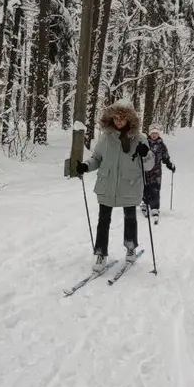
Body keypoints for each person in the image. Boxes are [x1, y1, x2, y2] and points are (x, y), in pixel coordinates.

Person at [75, 101, 154, 271]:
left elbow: (149, 165)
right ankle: (101, 253)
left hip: (129, 185)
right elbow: (96, 158)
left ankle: (131, 247)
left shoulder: (139, 139)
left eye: (122, 118)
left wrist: (146, 154)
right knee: (103, 220)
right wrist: (85, 166)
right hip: (108, 185)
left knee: (130, 218)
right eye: (116, 118)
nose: (118, 121)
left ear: (129, 119)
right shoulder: (106, 138)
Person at [141, 124, 175, 224]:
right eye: (152, 133)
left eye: (156, 133)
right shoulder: (145, 143)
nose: (154, 135)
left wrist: (169, 164)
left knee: (155, 189)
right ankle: (145, 203)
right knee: (145, 188)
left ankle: (155, 208)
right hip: (145, 171)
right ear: (149, 134)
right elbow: (140, 156)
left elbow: (165, 157)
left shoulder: (161, 145)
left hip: (156, 172)